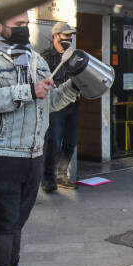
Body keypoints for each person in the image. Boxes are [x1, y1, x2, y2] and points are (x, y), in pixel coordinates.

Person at [0, 11, 80, 266]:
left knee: (17, 221)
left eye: (26, 24)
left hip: (32, 151)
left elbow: (50, 101)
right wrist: (27, 91)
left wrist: (73, 88)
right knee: (3, 221)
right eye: (17, 24)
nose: (24, 28)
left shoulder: (35, 59)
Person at [41, 22, 81, 192]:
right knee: (54, 142)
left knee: (70, 143)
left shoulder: (72, 56)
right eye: (66, 35)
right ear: (56, 36)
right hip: (56, 106)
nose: (69, 39)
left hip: (73, 103)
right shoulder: (45, 57)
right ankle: (48, 178)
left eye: (71, 36)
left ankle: (62, 175)